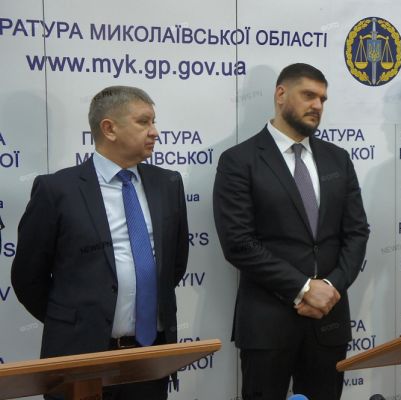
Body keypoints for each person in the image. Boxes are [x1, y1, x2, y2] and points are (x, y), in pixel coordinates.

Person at [11, 86, 189, 400]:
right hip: (79, 360)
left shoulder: (168, 183)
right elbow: (28, 277)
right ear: (109, 128)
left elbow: (174, 263)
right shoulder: (57, 190)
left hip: (149, 359)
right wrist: (74, 320)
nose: (155, 132)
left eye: (154, 122)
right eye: (143, 122)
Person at [213, 63, 369, 400]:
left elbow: (357, 232)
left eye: (323, 99)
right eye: (309, 95)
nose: (317, 105)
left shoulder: (338, 159)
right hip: (267, 324)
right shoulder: (239, 160)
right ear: (281, 94)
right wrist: (303, 289)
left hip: (329, 320)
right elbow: (238, 242)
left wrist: (330, 287)